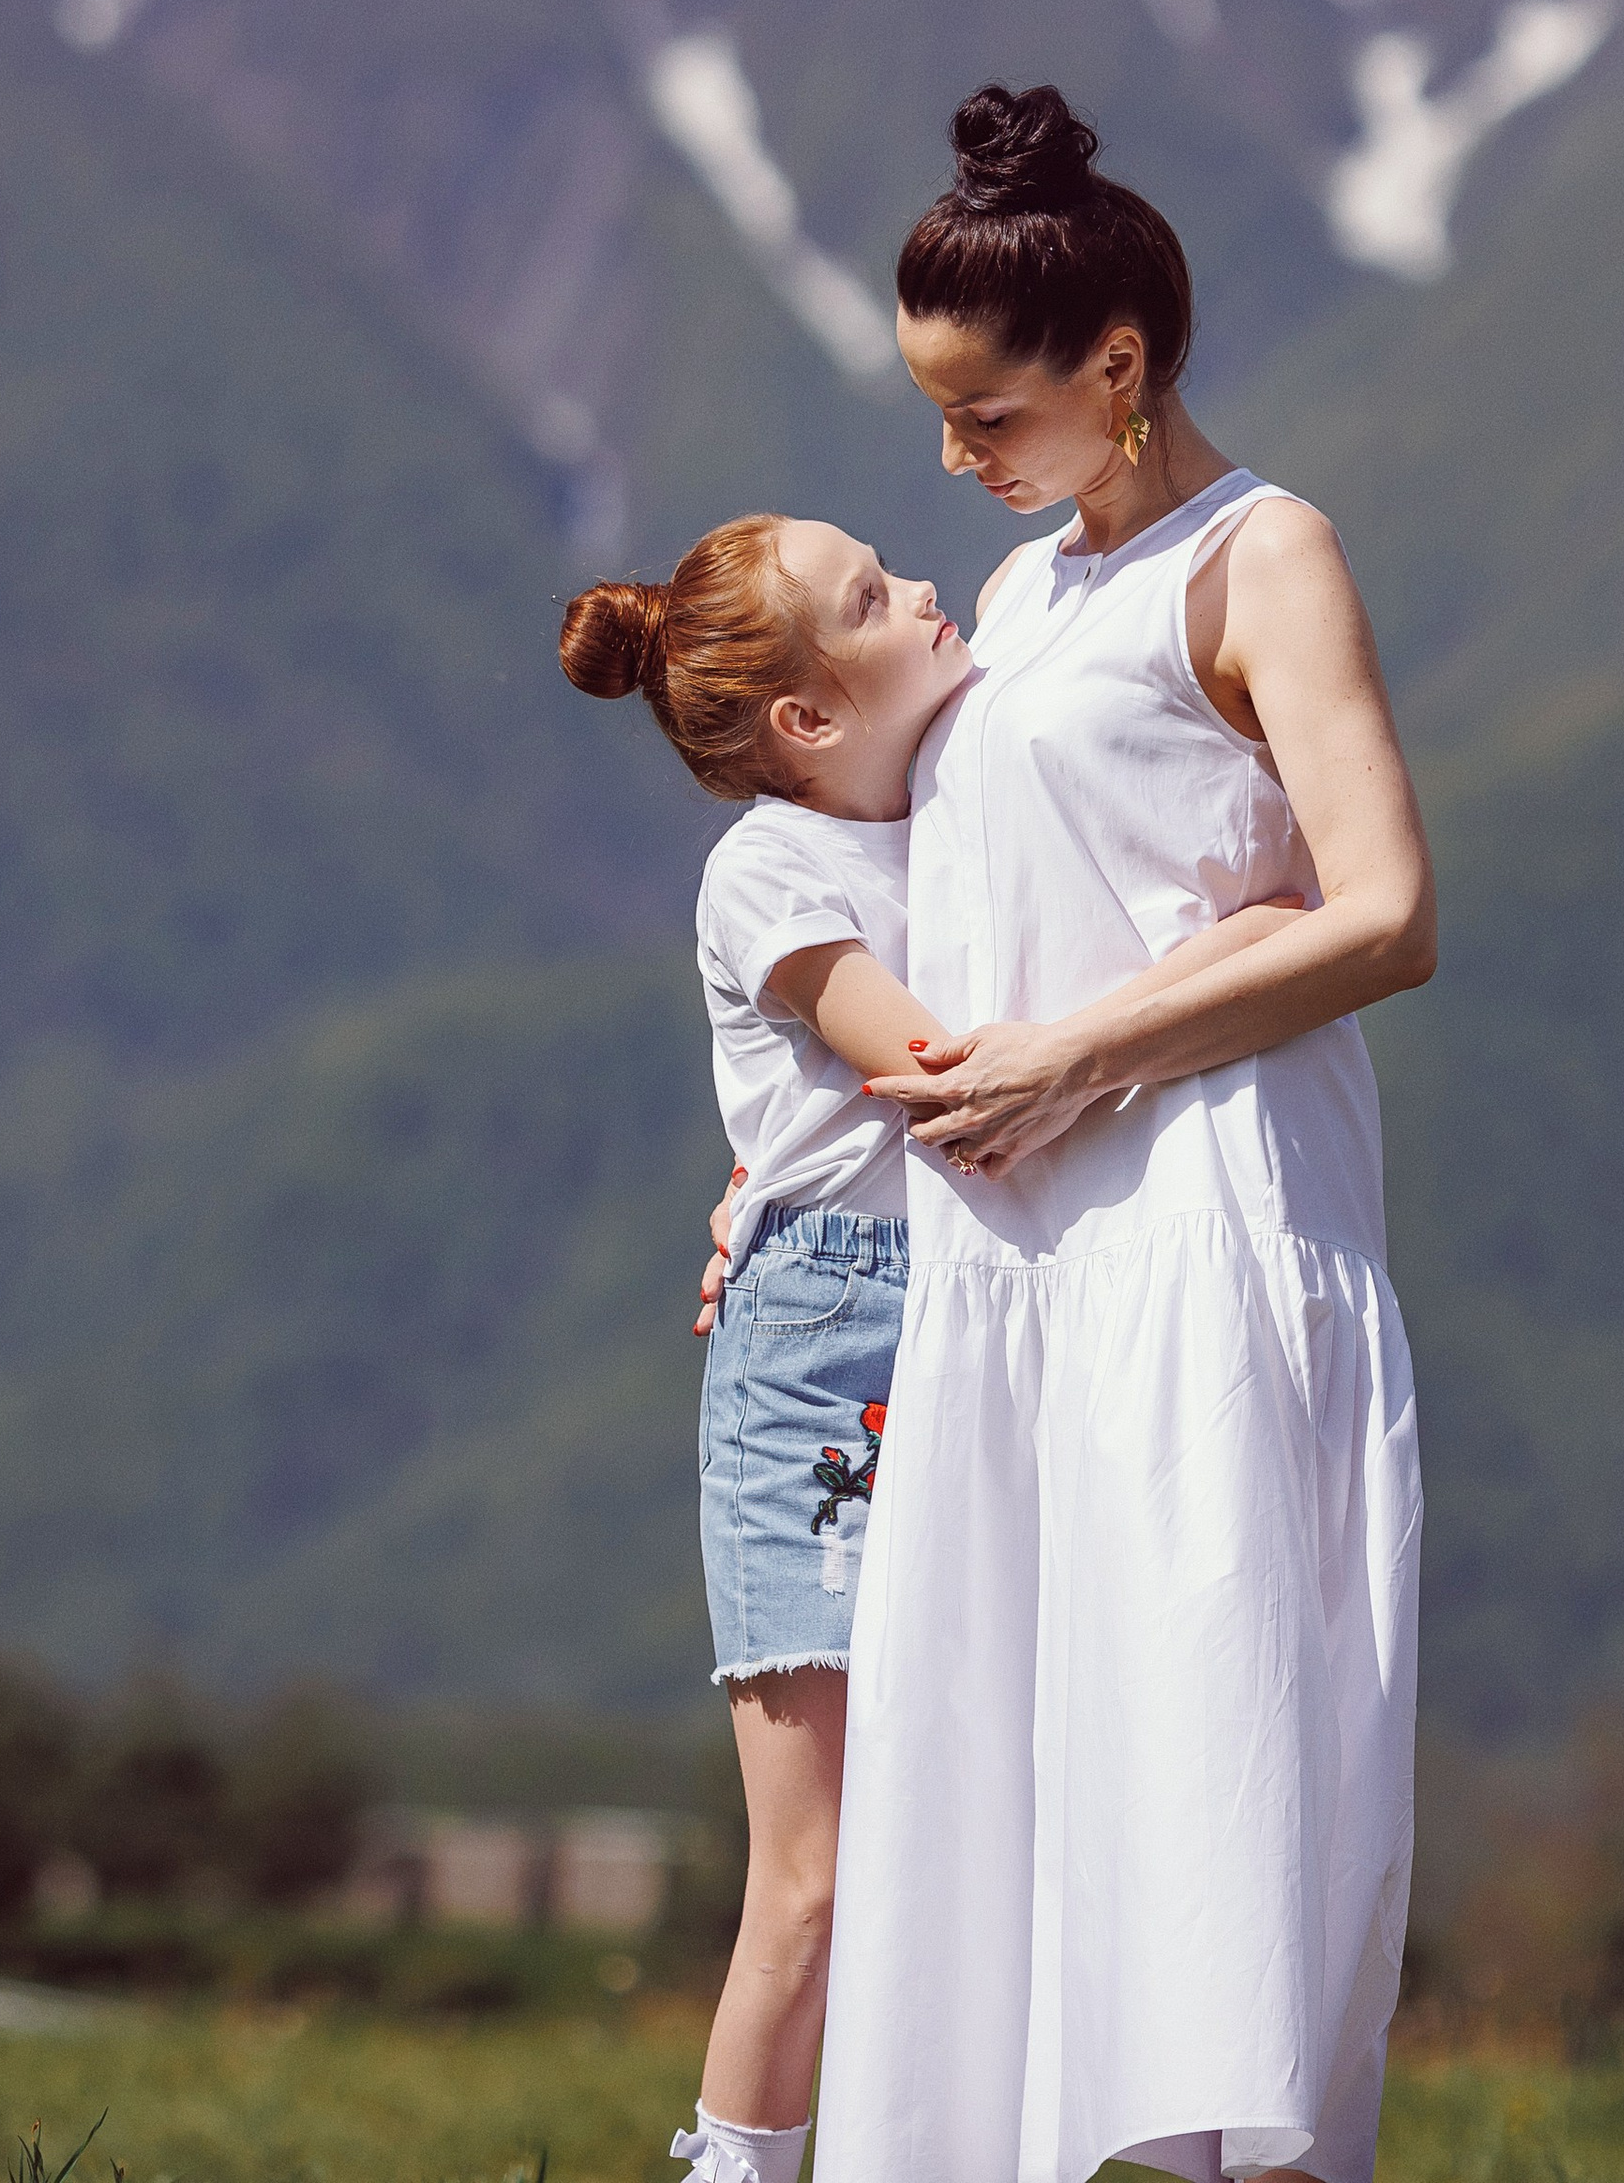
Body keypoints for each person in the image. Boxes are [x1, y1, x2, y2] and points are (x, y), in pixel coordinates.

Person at [813, 82, 1435, 2183]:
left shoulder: (1261, 557)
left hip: (1196, 1220)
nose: (953, 457)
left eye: (984, 414)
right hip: (1027, 1268)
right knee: (1023, 1766)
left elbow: (1382, 913)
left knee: (1201, 1754)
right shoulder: (1009, 604)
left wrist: (1091, 1049)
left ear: (1120, 364)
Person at [563, 508, 1314, 2183]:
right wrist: (1243, 948)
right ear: (810, 719)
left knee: (996, 1810)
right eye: (870, 596)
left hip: (983, 1327)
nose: (918, 588)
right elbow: (943, 1069)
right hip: (827, 1365)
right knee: (820, 1867)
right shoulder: (771, 871)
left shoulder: (954, 800)